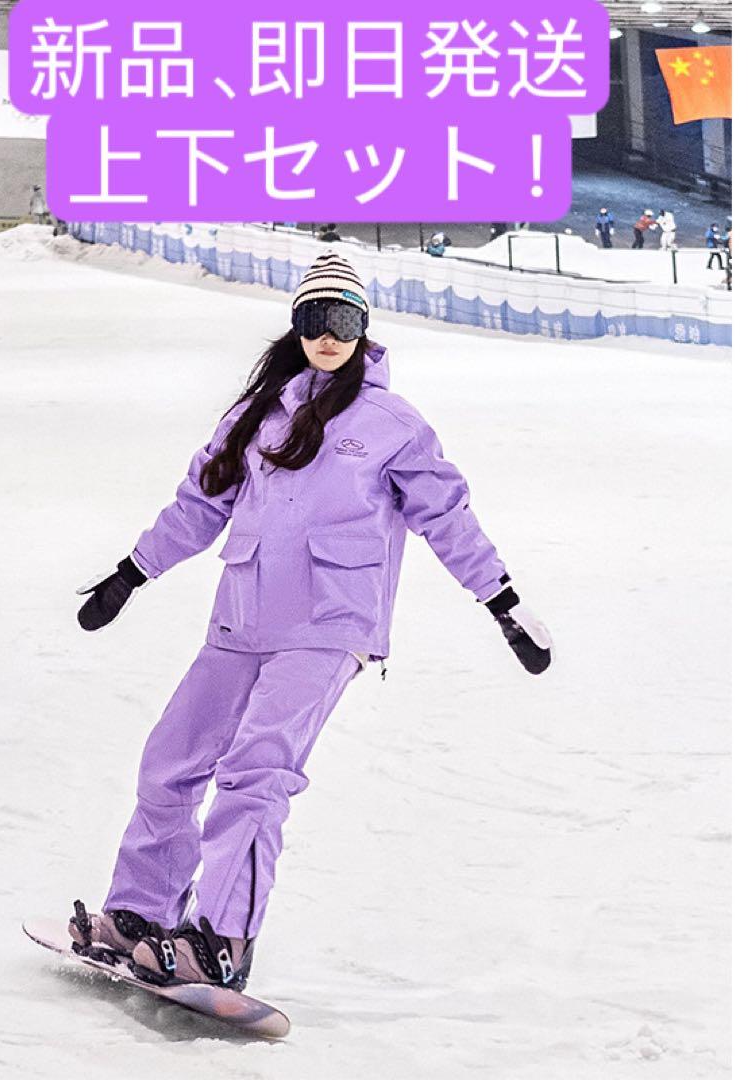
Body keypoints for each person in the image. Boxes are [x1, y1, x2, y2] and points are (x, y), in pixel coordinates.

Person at [69, 252, 553, 990]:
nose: (330, 335)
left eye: (345, 320)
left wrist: (503, 602)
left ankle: (223, 939)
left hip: (331, 623)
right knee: (171, 759)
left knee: (255, 771)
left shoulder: (392, 424)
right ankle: (140, 913)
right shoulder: (255, 415)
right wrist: (131, 572)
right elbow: (199, 505)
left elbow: (447, 518)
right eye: (316, 318)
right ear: (296, 326)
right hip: (242, 618)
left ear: (364, 328)